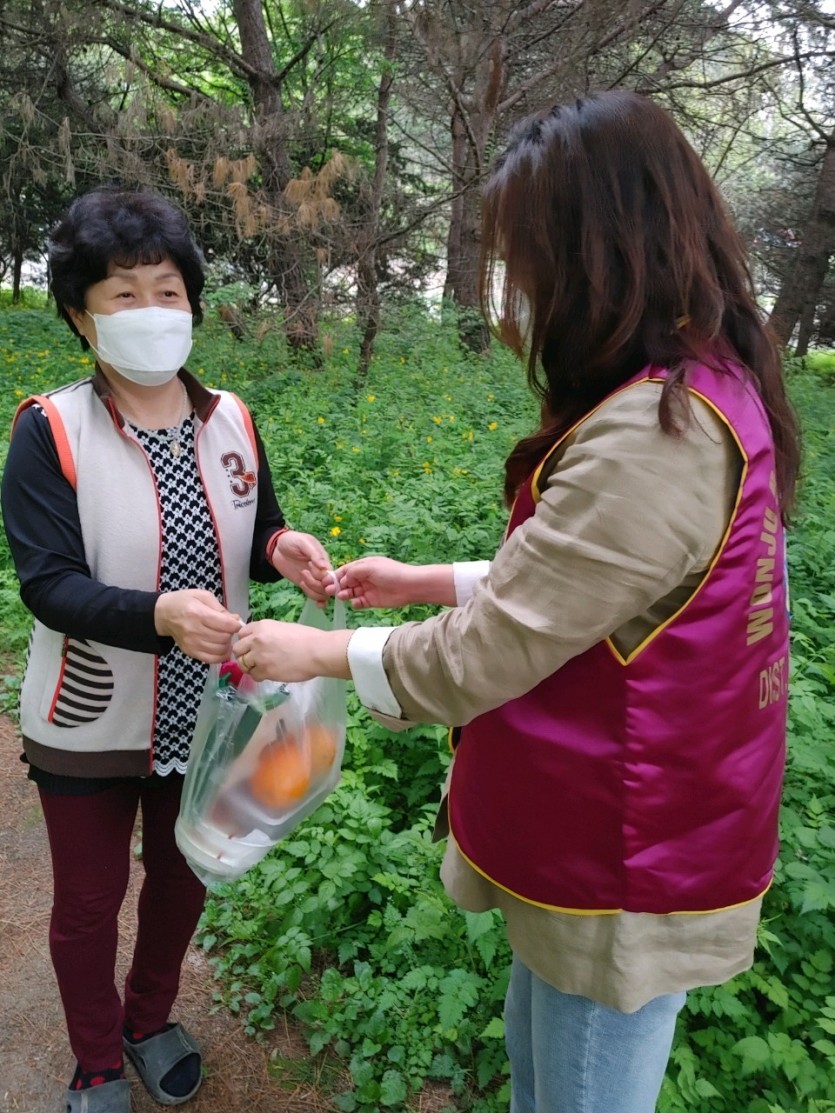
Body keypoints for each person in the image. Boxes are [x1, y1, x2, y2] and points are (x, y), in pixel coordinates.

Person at [230, 90, 800, 1113]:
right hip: (639, 816)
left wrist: (316, 653)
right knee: (545, 1066)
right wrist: (430, 581)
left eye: (530, 253)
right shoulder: (700, 387)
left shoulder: (655, 435)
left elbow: (487, 653)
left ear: (599, 249)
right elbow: (602, 593)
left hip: (624, 848)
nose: (520, 285)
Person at [0, 187, 332, 1113]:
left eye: (167, 291)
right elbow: (47, 584)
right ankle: (96, 1060)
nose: (151, 311)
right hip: (90, 712)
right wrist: (160, 615)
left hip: (210, 708)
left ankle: (149, 1019)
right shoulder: (50, 430)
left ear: (192, 301)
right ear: (81, 316)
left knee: (183, 878)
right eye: (123, 294)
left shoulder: (231, 418)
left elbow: (256, 527)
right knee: (88, 899)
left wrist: (282, 546)